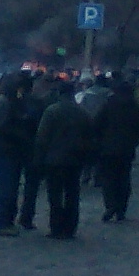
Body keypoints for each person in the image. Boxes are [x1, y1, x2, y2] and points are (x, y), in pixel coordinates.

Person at [31, 79, 93, 239]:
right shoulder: (82, 112)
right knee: (72, 193)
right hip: (75, 159)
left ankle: (56, 227)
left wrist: (39, 159)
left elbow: (42, 137)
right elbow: (89, 136)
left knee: (55, 195)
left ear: (59, 93)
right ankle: (70, 227)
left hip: (54, 159)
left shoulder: (51, 111)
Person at [0, 73, 35, 236]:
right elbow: (4, 127)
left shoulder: (8, 101)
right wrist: (23, 132)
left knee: (10, 187)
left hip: (10, 151)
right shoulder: (4, 103)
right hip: (5, 151)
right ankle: (2, 222)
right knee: (5, 188)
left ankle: (7, 221)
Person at [94, 75, 139, 223]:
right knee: (124, 179)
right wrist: (134, 142)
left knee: (108, 179)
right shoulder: (135, 108)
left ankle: (110, 205)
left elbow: (97, 124)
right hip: (126, 149)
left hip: (108, 149)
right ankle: (121, 209)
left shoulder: (108, 105)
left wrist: (100, 141)